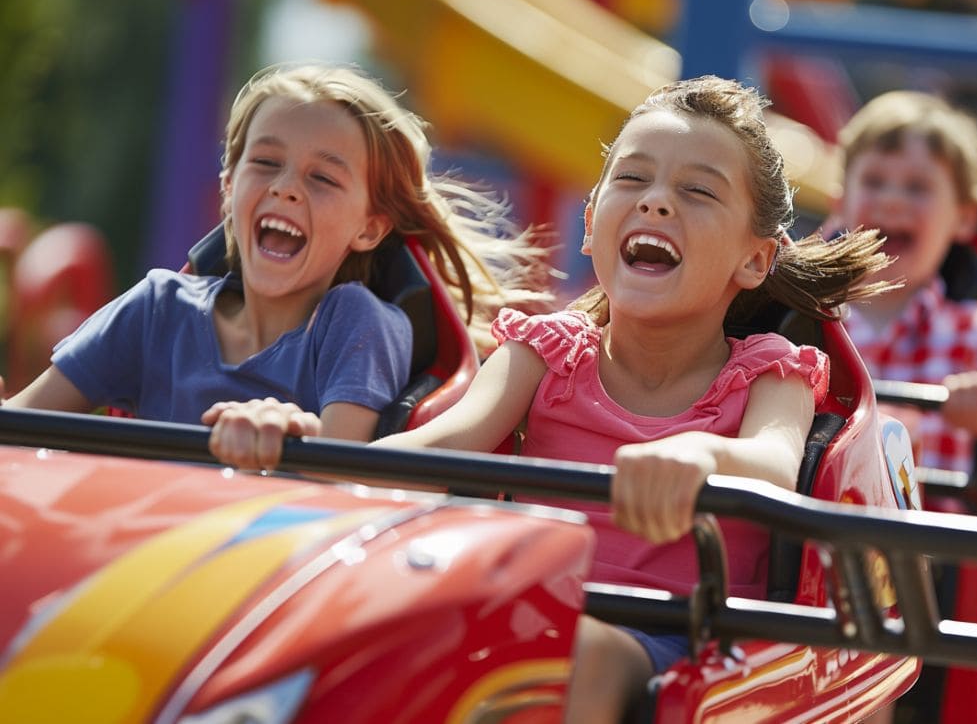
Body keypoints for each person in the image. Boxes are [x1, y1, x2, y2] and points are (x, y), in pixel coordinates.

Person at [206, 75, 891, 722]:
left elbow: (773, 463)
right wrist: (299, 449)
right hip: (535, 613)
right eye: (632, 178)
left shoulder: (772, 369)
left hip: (684, 644)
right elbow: (439, 448)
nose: (656, 201)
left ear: (754, 259)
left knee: (577, 656)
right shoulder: (546, 351)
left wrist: (700, 455)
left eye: (699, 191)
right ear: (592, 224)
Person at [2, 62, 550, 441]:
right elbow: (22, 425)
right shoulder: (155, 309)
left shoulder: (356, 322)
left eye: (323, 178)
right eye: (265, 163)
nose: (286, 187)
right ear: (228, 186)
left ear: (370, 227)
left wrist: (289, 437)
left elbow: (338, 472)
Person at [827, 90, 977, 476]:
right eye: (874, 181)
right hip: (824, 528)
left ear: (964, 219)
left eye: (917, 187)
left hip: (939, 532)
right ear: (840, 205)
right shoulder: (803, 322)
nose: (892, 200)